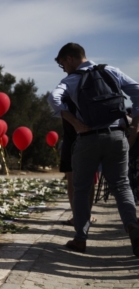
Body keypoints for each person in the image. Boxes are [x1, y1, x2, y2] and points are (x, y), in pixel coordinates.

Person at [48, 42, 139, 255]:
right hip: (117, 136)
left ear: (70, 59)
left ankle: (80, 239)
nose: (64, 69)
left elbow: (53, 98)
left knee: (80, 189)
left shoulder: (71, 79)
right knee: (121, 185)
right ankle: (132, 226)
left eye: (63, 64)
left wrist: (73, 121)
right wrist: (135, 124)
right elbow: (138, 92)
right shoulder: (111, 71)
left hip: (87, 138)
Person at [59, 100, 96, 225]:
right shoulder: (87, 93)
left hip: (84, 140)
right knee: (76, 179)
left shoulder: (67, 91)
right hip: (76, 140)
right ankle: (80, 216)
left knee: (85, 179)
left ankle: (82, 216)